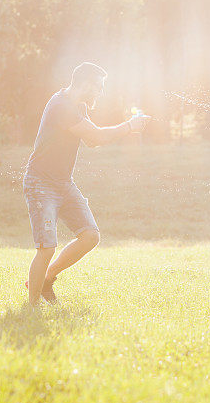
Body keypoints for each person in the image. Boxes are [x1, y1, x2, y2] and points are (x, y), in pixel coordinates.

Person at [23, 62, 151, 306]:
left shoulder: (78, 106)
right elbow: (97, 136)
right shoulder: (61, 106)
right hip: (40, 183)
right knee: (47, 247)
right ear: (84, 84)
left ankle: (47, 278)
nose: (100, 93)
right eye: (98, 88)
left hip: (63, 183)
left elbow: (92, 142)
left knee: (90, 236)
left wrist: (127, 127)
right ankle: (31, 308)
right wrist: (129, 127)